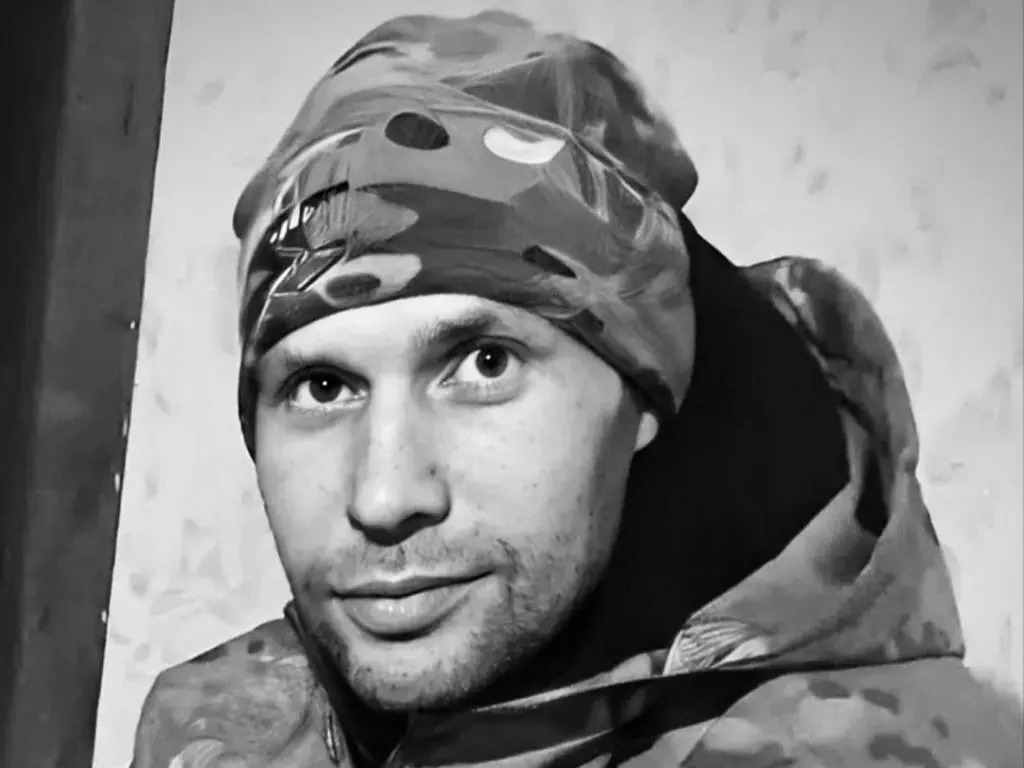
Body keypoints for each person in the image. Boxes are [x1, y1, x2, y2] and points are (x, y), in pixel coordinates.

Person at [130, 10, 1022, 768]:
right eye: (323, 386)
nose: (386, 496)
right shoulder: (221, 728)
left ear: (644, 396)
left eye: (485, 364)